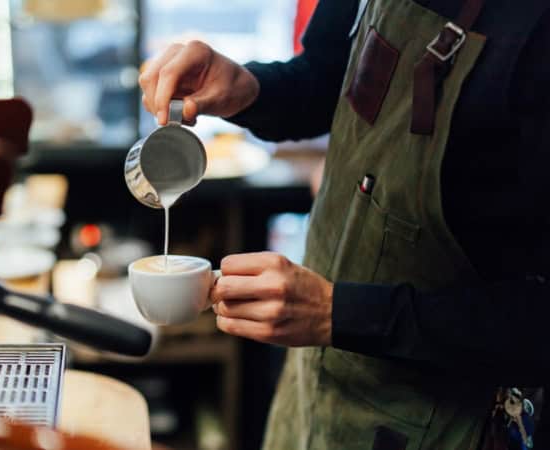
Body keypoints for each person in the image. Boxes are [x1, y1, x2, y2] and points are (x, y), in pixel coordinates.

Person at [139, 0, 550, 449]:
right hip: (313, 395)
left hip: (443, 424)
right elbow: (324, 81)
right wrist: (250, 88)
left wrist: (340, 312)